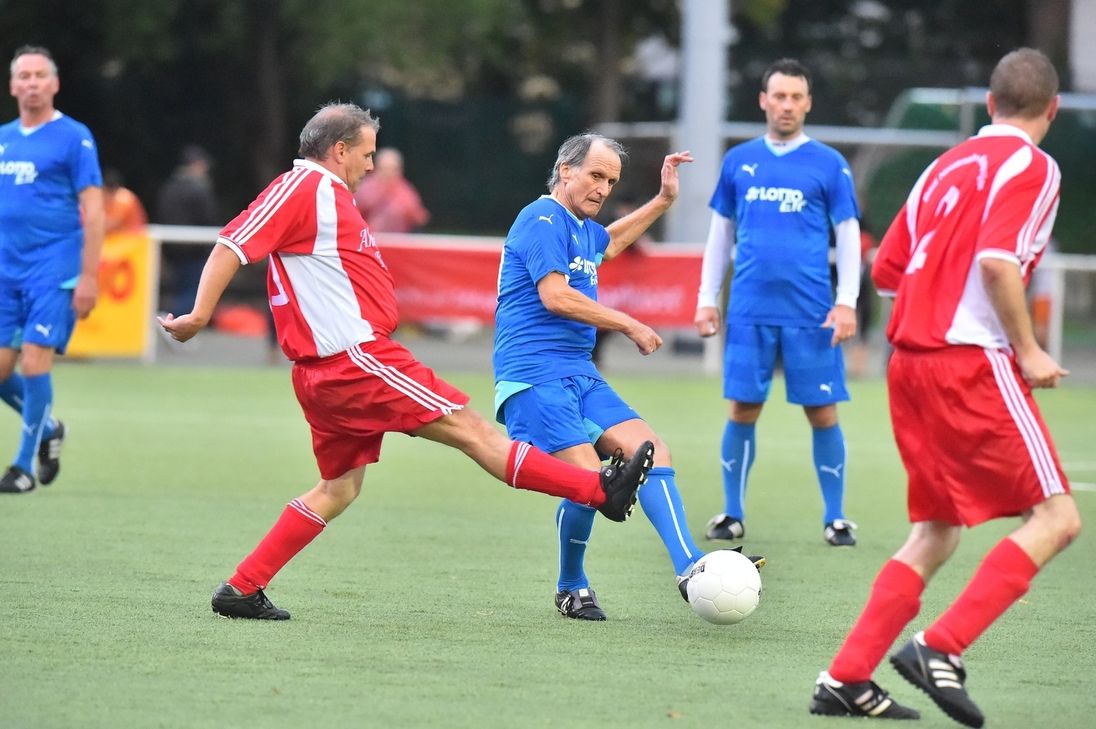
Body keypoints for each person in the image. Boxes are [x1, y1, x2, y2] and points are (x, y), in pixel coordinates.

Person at [158, 103, 655, 621]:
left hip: (326, 372)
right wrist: (197, 316)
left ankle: (242, 587)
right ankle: (600, 489)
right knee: (474, 431)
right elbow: (231, 244)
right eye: (367, 154)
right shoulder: (303, 187)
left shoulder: (330, 198)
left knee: (338, 488)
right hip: (357, 360)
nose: (371, 167)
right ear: (340, 149)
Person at [809, 48, 1081, 727]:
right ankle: (942, 646)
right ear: (1051, 109)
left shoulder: (944, 165)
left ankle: (845, 678)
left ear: (989, 104)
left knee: (935, 529)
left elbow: (888, 268)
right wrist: (1028, 349)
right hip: (969, 359)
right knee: (1057, 517)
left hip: (909, 360)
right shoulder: (1035, 166)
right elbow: (996, 261)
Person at [493, 134, 762, 621]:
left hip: (578, 372)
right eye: (595, 175)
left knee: (651, 451)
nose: (602, 188)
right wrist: (628, 322)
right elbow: (555, 296)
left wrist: (663, 201)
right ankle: (571, 585)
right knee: (587, 480)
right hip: (532, 375)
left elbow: (610, 242)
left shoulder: (580, 226)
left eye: (611, 181)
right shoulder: (541, 219)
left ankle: (689, 569)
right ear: (565, 170)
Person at [694, 58, 863, 547]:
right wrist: (708, 299)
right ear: (763, 101)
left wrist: (847, 301)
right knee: (742, 408)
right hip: (749, 309)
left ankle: (835, 518)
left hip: (812, 310)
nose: (787, 105)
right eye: (779, 96)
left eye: (796, 97)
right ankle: (731, 514)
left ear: (807, 103)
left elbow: (848, 234)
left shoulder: (830, 164)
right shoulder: (739, 161)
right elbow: (719, 235)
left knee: (823, 411)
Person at [0, 45, 103, 493]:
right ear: (12, 85)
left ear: (54, 84)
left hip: (53, 267)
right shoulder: (4, 138)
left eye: (41, 75)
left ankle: (22, 469)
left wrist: (89, 275)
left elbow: (94, 212)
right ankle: (48, 429)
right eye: (24, 76)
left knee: (37, 362)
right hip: (6, 271)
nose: (32, 83)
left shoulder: (74, 137)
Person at [156, 144, 218, 315]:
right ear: (197, 164)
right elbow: (208, 218)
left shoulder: (169, 187)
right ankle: (169, 319)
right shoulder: (200, 188)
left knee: (179, 288)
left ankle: (168, 318)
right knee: (193, 292)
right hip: (195, 250)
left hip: (172, 249)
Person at [352, 147, 430, 233]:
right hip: (366, 239)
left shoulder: (406, 190)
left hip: (398, 241)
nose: (388, 173)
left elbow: (421, 218)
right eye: (384, 169)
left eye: (393, 169)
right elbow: (351, 213)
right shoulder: (364, 188)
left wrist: (407, 209)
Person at [102, 168, 148, 234]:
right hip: (118, 238)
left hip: (132, 238)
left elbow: (112, 224)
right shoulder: (107, 200)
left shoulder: (123, 199)